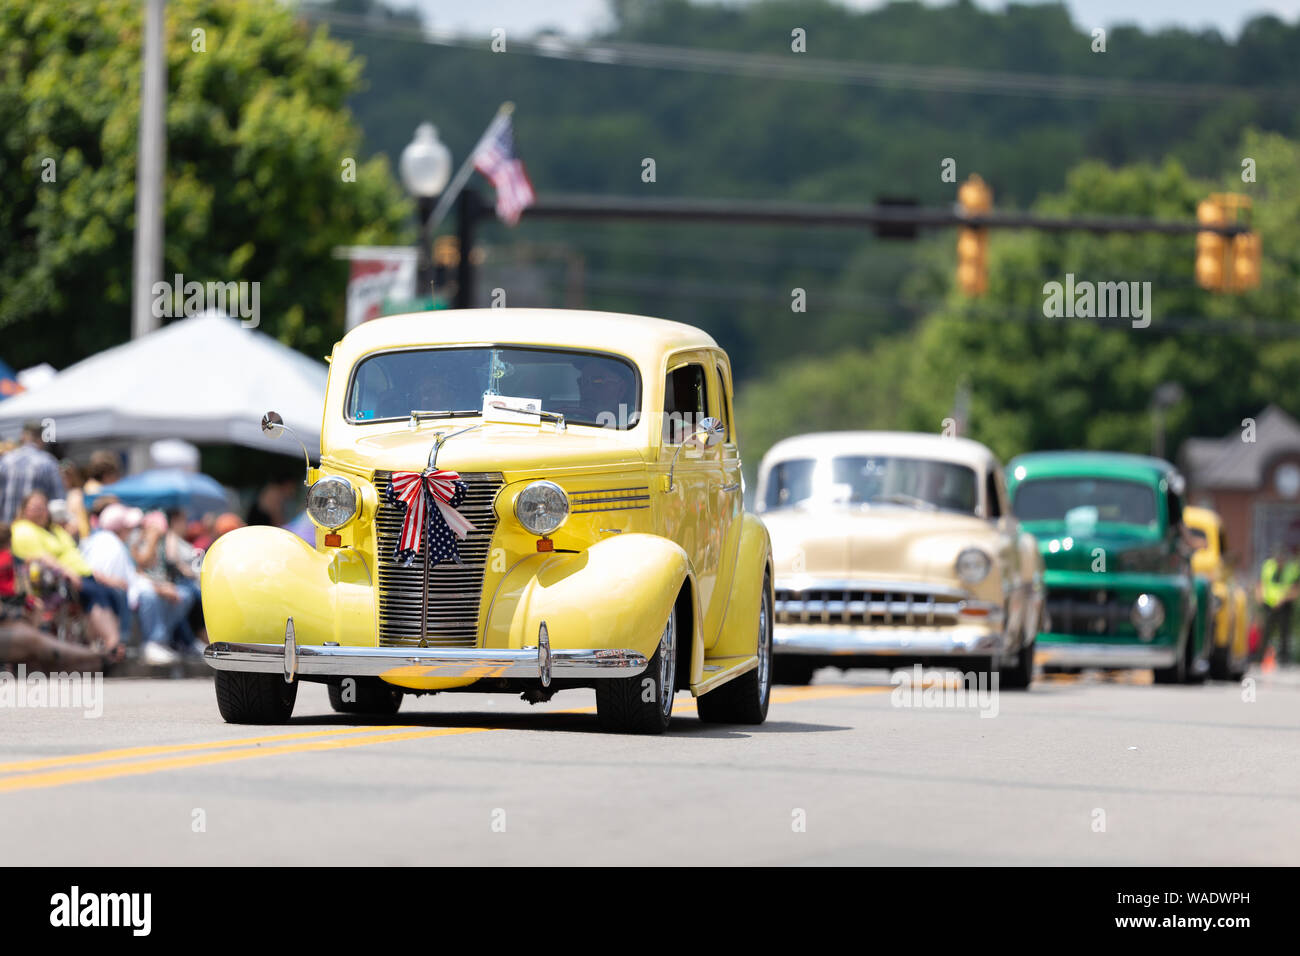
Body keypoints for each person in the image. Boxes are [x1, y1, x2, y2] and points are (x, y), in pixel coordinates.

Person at [10, 490, 125, 656]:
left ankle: (105, 646)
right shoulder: (22, 530)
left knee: (111, 593)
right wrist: (68, 573)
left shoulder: (54, 530)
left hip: (81, 575)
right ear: (24, 510)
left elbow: (75, 557)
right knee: (95, 594)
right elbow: (42, 558)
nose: (40, 511)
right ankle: (112, 644)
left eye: (42, 507)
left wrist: (105, 579)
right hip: (56, 582)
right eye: (35, 507)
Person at [80, 504, 195, 665]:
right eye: (128, 527)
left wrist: (159, 587)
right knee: (149, 595)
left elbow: (131, 575)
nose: (133, 530)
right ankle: (152, 643)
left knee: (180, 595)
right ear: (120, 529)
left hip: (123, 591)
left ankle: (159, 642)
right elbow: (127, 578)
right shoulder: (110, 544)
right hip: (117, 595)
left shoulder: (108, 541)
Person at [0, 422, 65, 522]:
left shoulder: (5, 461)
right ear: (41, 439)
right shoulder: (48, 463)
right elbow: (58, 503)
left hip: (5, 530)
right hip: (34, 532)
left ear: (22, 437)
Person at [1257, 545, 1300, 664]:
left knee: (1284, 632)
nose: (1279, 561)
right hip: (1269, 604)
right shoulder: (1268, 566)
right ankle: (1259, 656)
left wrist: (1284, 599)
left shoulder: (1292, 569)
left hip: (1285, 605)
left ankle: (1284, 659)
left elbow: (1296, 589)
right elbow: (1261, 583)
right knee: (1265, 631)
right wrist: (1260, 596)